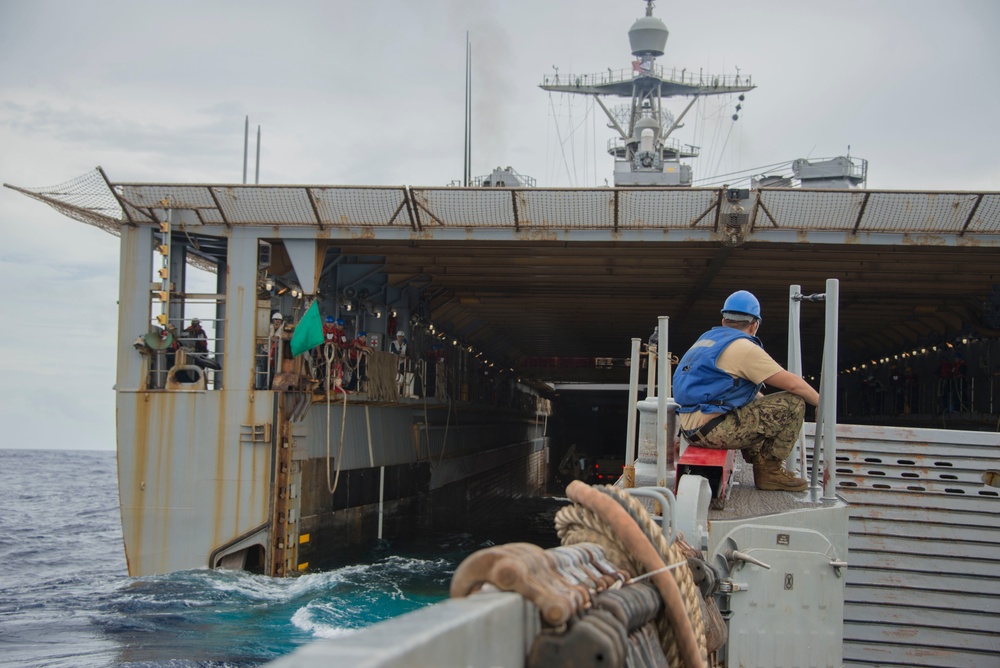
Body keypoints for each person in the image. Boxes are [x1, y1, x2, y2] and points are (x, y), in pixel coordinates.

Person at [673, 290, 819, 492]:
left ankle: (757, 458)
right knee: (794, 402)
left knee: (755, 402)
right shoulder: (743, 347)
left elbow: (738, 393)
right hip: (713, 431)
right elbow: (794, 385)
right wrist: (822, 403)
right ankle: (770, 471)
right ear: (754, 325)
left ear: (724, 321)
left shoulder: (707, 340)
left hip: (691, 428)